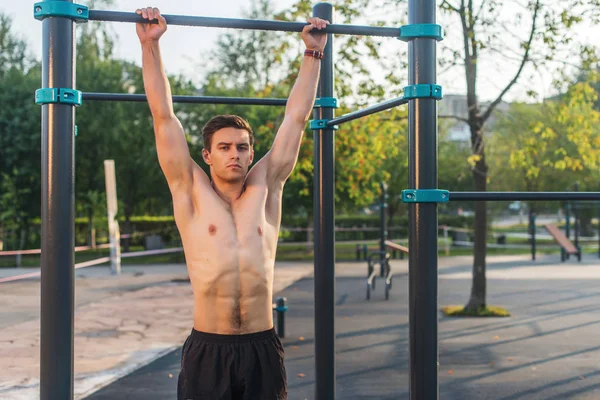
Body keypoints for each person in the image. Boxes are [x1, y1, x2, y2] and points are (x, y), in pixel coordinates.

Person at [135, 6, 329, 400]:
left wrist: (313, 54)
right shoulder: (189, 191)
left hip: (261, 348)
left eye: (242, 147)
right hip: (209, 349)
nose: (234, 154)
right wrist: (150, 45)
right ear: (207, 155)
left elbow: (295, 119)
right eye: (224, 147)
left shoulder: (267, 186)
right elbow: (163, 116)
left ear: (252, 152)